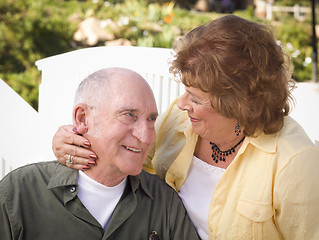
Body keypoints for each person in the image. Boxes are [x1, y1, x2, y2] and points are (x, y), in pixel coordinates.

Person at [52, 15, 319, 239]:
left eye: (195, 98)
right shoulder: (181, 122)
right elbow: (121, 156)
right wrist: (71, 140)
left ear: (238, 105)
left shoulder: (295, 163)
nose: (181, 103)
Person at [0, 67, 200, 240]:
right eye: (129, 115)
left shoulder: (164, 202)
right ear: (83, 118)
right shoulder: (18, 193)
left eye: (150, 119)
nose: (145, 137)